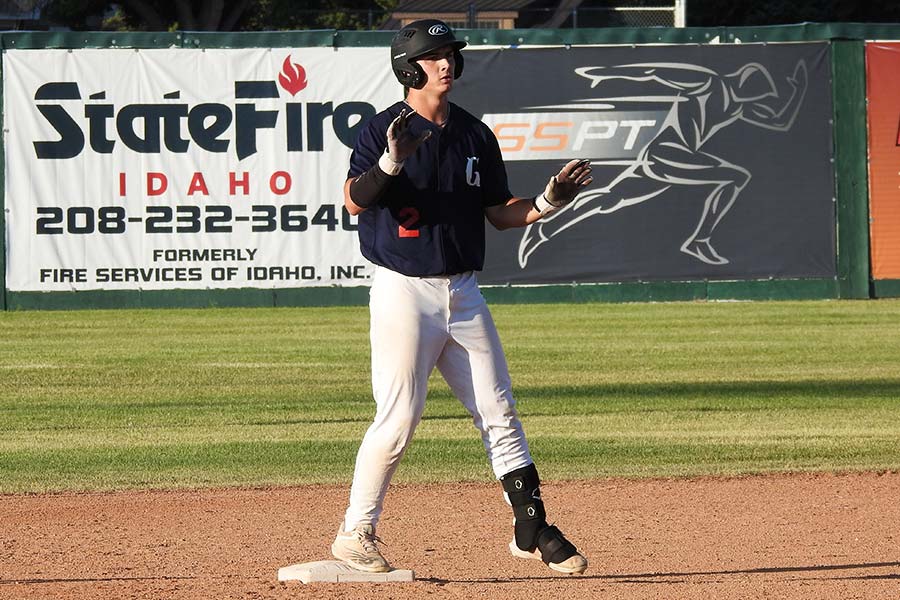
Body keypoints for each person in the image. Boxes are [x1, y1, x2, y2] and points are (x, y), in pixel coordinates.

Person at [330, 18, 593, 576]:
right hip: (404, 290)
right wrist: (391, 159)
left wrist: (549, 200)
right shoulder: (382, 130)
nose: (445, 63)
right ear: (408, 67)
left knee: (499, 409)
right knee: (399, 417)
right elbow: (354, 202)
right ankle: (356, 533)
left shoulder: (475, 134)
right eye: (432, 56)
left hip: (463, 290)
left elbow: (500, 213)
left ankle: (530, 526)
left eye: (450, 53)